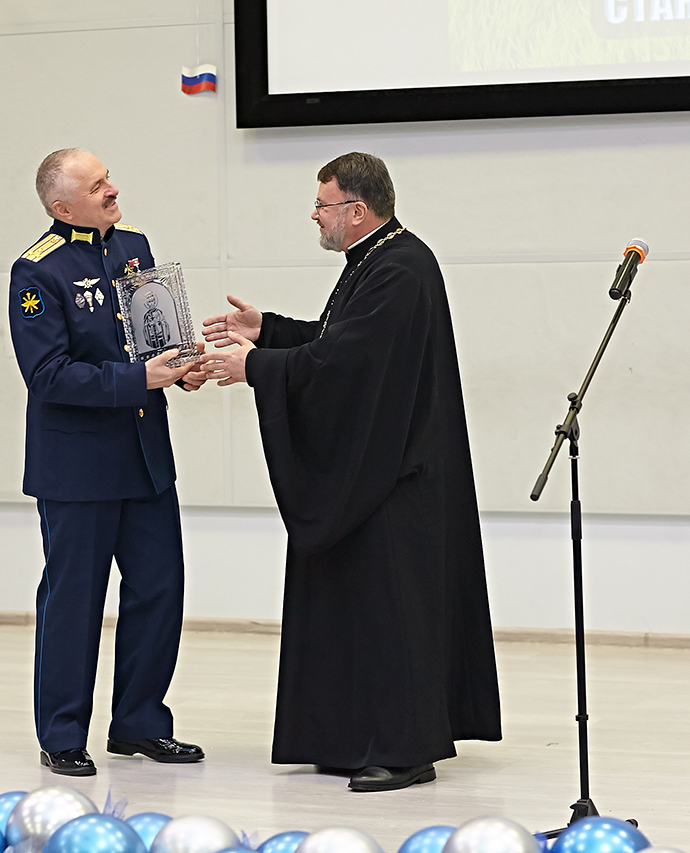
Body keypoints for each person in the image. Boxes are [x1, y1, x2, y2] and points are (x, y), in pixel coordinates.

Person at [203, 152, 501, 792]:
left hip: (397, 476)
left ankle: (403, 748)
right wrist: (269, 330)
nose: (314, 215)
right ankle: (345, 736)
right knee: (358, 608)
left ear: (357, 210)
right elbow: (336, 341)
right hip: (382, 465)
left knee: (391, 612)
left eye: (323, 204)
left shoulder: (401, 267)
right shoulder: (378, 260)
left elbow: (350, 363)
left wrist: (256, 367)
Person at [9, 147, 207, 777]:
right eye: (97, 186)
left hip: (144, 457)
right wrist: (139, 379)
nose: (112, 190)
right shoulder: (37, 270)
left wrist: (180, 368)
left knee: (159, 589)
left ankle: (140, 723)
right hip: (78, 468)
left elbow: (150, 341)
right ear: (63, 207)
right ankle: (63, 733)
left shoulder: (134, 247)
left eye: (108, 179)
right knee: (75, 601)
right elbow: (48, 374)